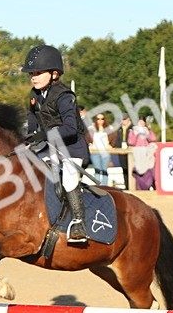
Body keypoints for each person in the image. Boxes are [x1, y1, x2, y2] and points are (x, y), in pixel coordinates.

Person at [22, 44, 91, 242]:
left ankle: (79, 223)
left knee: (69, 179)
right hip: (50, 147)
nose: (33, 76)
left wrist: (43, 135)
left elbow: (70, 129)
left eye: (37, 72)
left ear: (54, 74)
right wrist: (28, 139)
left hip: (72, 148)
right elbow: (33, 125)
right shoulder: (35, 96)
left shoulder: (64, 96)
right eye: (31, 73)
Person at [127, 116, 158, 190]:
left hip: (146, 154)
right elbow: (131, 142)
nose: (141, 123)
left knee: (149, 172)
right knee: (138, 173)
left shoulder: (147, 130)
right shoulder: (133, 131)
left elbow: (153, 139)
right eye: (139, 121)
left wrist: (148, 132)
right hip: (137, 154)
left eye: (142, 121)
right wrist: (136, 133)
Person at [87, 113, 113, 184]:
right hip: (95, 152)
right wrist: (90, 144)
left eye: (102, 119)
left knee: (104, 169)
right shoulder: (92, 128)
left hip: (105, 152)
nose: (100, 120)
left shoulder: (109, 128)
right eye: (98, 119)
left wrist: (111, 145)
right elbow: (87, 138)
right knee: (97, 170)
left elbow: (113, 138)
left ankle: (105, 186)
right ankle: (97, 186)